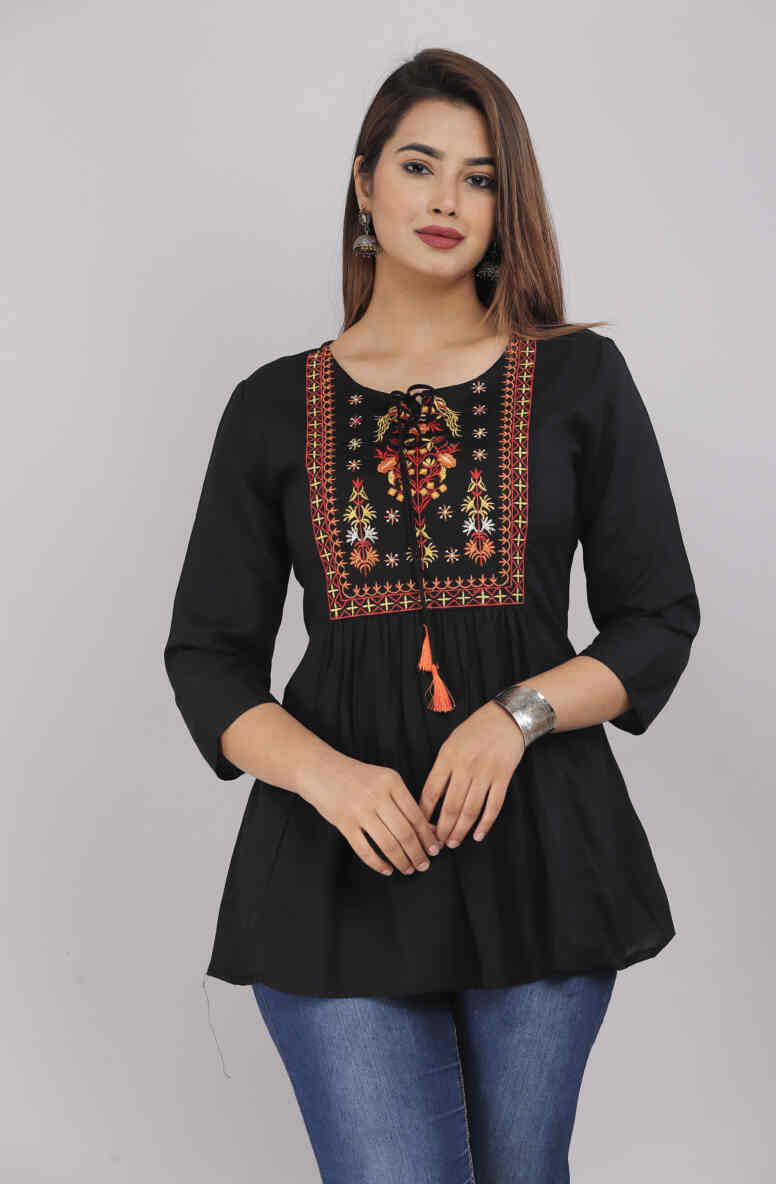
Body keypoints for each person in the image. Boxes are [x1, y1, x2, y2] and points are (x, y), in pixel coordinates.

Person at [163, 47, 700, 1184]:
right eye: (418, 165)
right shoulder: (271, 406)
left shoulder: (579, 380)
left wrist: (515, 714)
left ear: (507, 206)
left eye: (479, 176)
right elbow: (207, 658)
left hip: (542, 861)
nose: (447, 197)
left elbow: (656, 618)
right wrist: (329, 777)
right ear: (365, 184)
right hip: (330, 873)